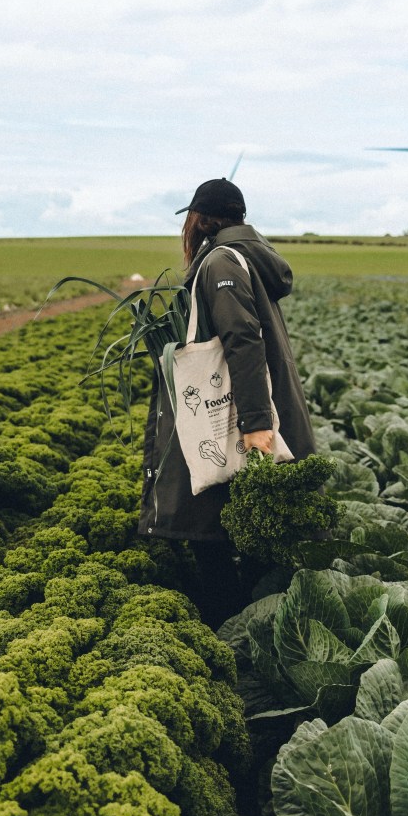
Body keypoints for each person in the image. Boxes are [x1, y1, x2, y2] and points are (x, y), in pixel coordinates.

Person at [138, 177, 316, 626]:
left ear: (199, 219)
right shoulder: (241, 257)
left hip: (229, 413)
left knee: (209, 527)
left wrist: (257, 423)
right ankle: (245, 621)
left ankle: (230, 625)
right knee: (239, 524)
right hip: (239, 408)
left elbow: (242, 339)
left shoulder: (219, 262)